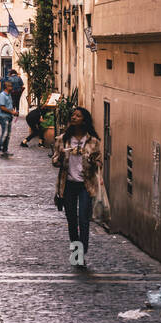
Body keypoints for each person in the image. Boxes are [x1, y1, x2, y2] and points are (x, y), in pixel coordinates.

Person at [53, 107, 102, 268]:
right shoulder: (62, 139)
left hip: (85, 185)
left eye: (78, 115)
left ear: (84, 120)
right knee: (72, 221)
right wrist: (61, 155)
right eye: (73, 115)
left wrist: (88, 157)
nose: (74, 117)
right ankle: (77, 253)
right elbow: (54, 162)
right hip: (68, 185)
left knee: (84, 219)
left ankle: (82, 251)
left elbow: (99, 162)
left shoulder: (93, 141)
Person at [0, 81, 15, 156]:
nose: (11, 88)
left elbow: (9, 105)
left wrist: (13, 112)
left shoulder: (9, 95)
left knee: (8, 134)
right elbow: (2, 107)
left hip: (9, 116)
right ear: (6, 87)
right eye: (10, 86)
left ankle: (5, 150)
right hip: (4, 117)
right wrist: (12, 112)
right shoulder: (2, 95)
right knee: (5, 133)